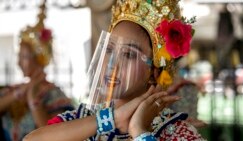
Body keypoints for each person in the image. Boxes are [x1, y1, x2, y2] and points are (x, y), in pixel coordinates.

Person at [24, 0, 205, 141]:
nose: (111, 64)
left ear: (154, 71)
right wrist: (112, 119)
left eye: (128, 54)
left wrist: (140, 132)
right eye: (109, 50)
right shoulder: (83, 119)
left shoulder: (176, 131)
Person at [0, 1, 74, 141]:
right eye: (19, 56)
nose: (19, 62)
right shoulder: (14, 90)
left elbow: (51, 132)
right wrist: (22, 90)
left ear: (39, 59)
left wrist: (32, 97)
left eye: (24, 57)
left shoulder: (54, 95)